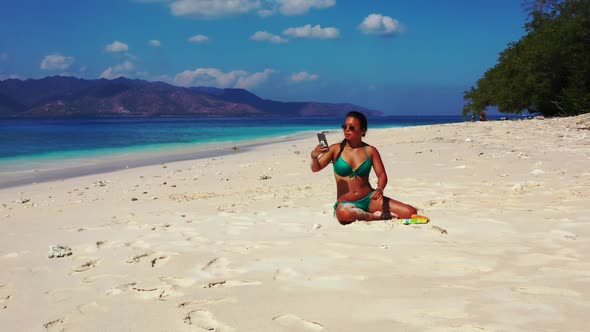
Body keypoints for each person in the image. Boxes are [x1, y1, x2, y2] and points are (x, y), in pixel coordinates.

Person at [310, 111, 418, 225]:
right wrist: (314, 157)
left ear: (363, 130)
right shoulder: (335, 149)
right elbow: (316, 168)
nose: (346, 130)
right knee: (343, 213)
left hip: (369, 199)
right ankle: (377, 217)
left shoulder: (370, 150)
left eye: (351, 127)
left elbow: (382, 175)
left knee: (410, 212)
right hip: (346, 203)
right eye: (344, 126)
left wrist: (380, 189)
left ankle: (364, 214)